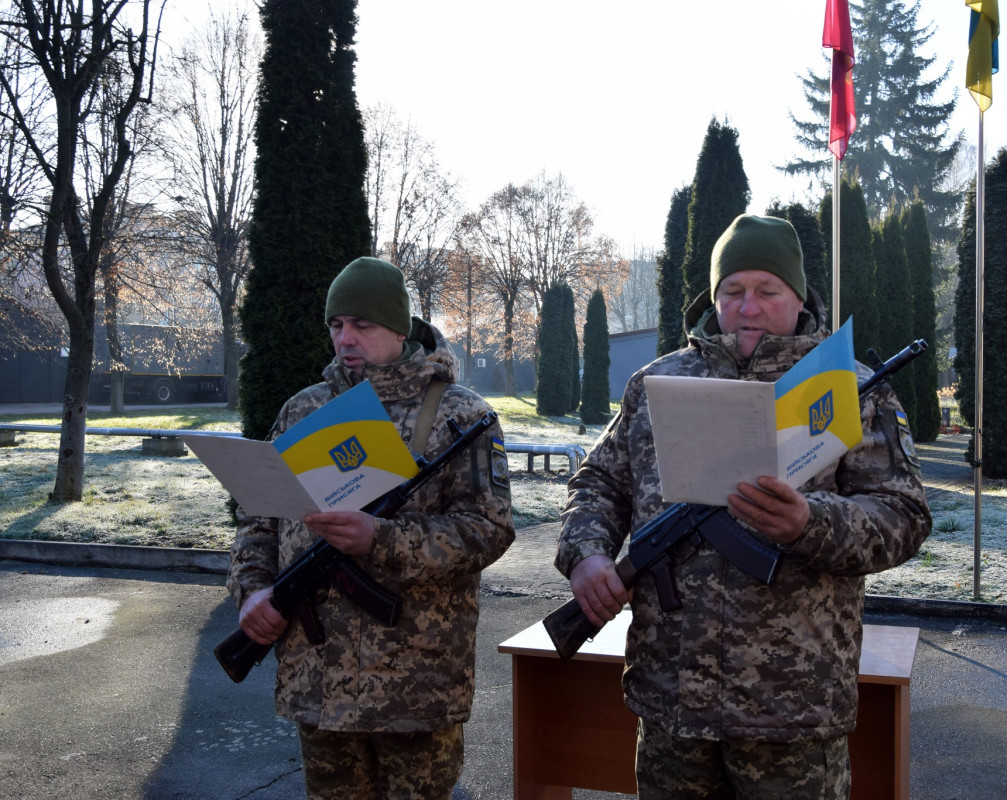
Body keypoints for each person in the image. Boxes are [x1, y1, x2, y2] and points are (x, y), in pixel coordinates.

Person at [555, 214, 931, 799]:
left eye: (766, 290)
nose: (748, 306)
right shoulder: (657, 383)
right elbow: (598, 481)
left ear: (798, 295)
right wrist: (586, 554)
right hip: (672, 698)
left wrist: (811, 523)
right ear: (715, 297)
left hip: (794, 708)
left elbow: (903, 517)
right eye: (733, 291)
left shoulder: (850, 390)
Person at [228, 256, 515, 799]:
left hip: (416, 683)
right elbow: (257, 518)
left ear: (400, 329)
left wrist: (381, 540)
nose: (346, 338)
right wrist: (251, 591)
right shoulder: (303, 411)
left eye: (363, 325)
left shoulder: (460, 413)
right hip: (319, 678)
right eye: (337, 325)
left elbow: (489, 527)